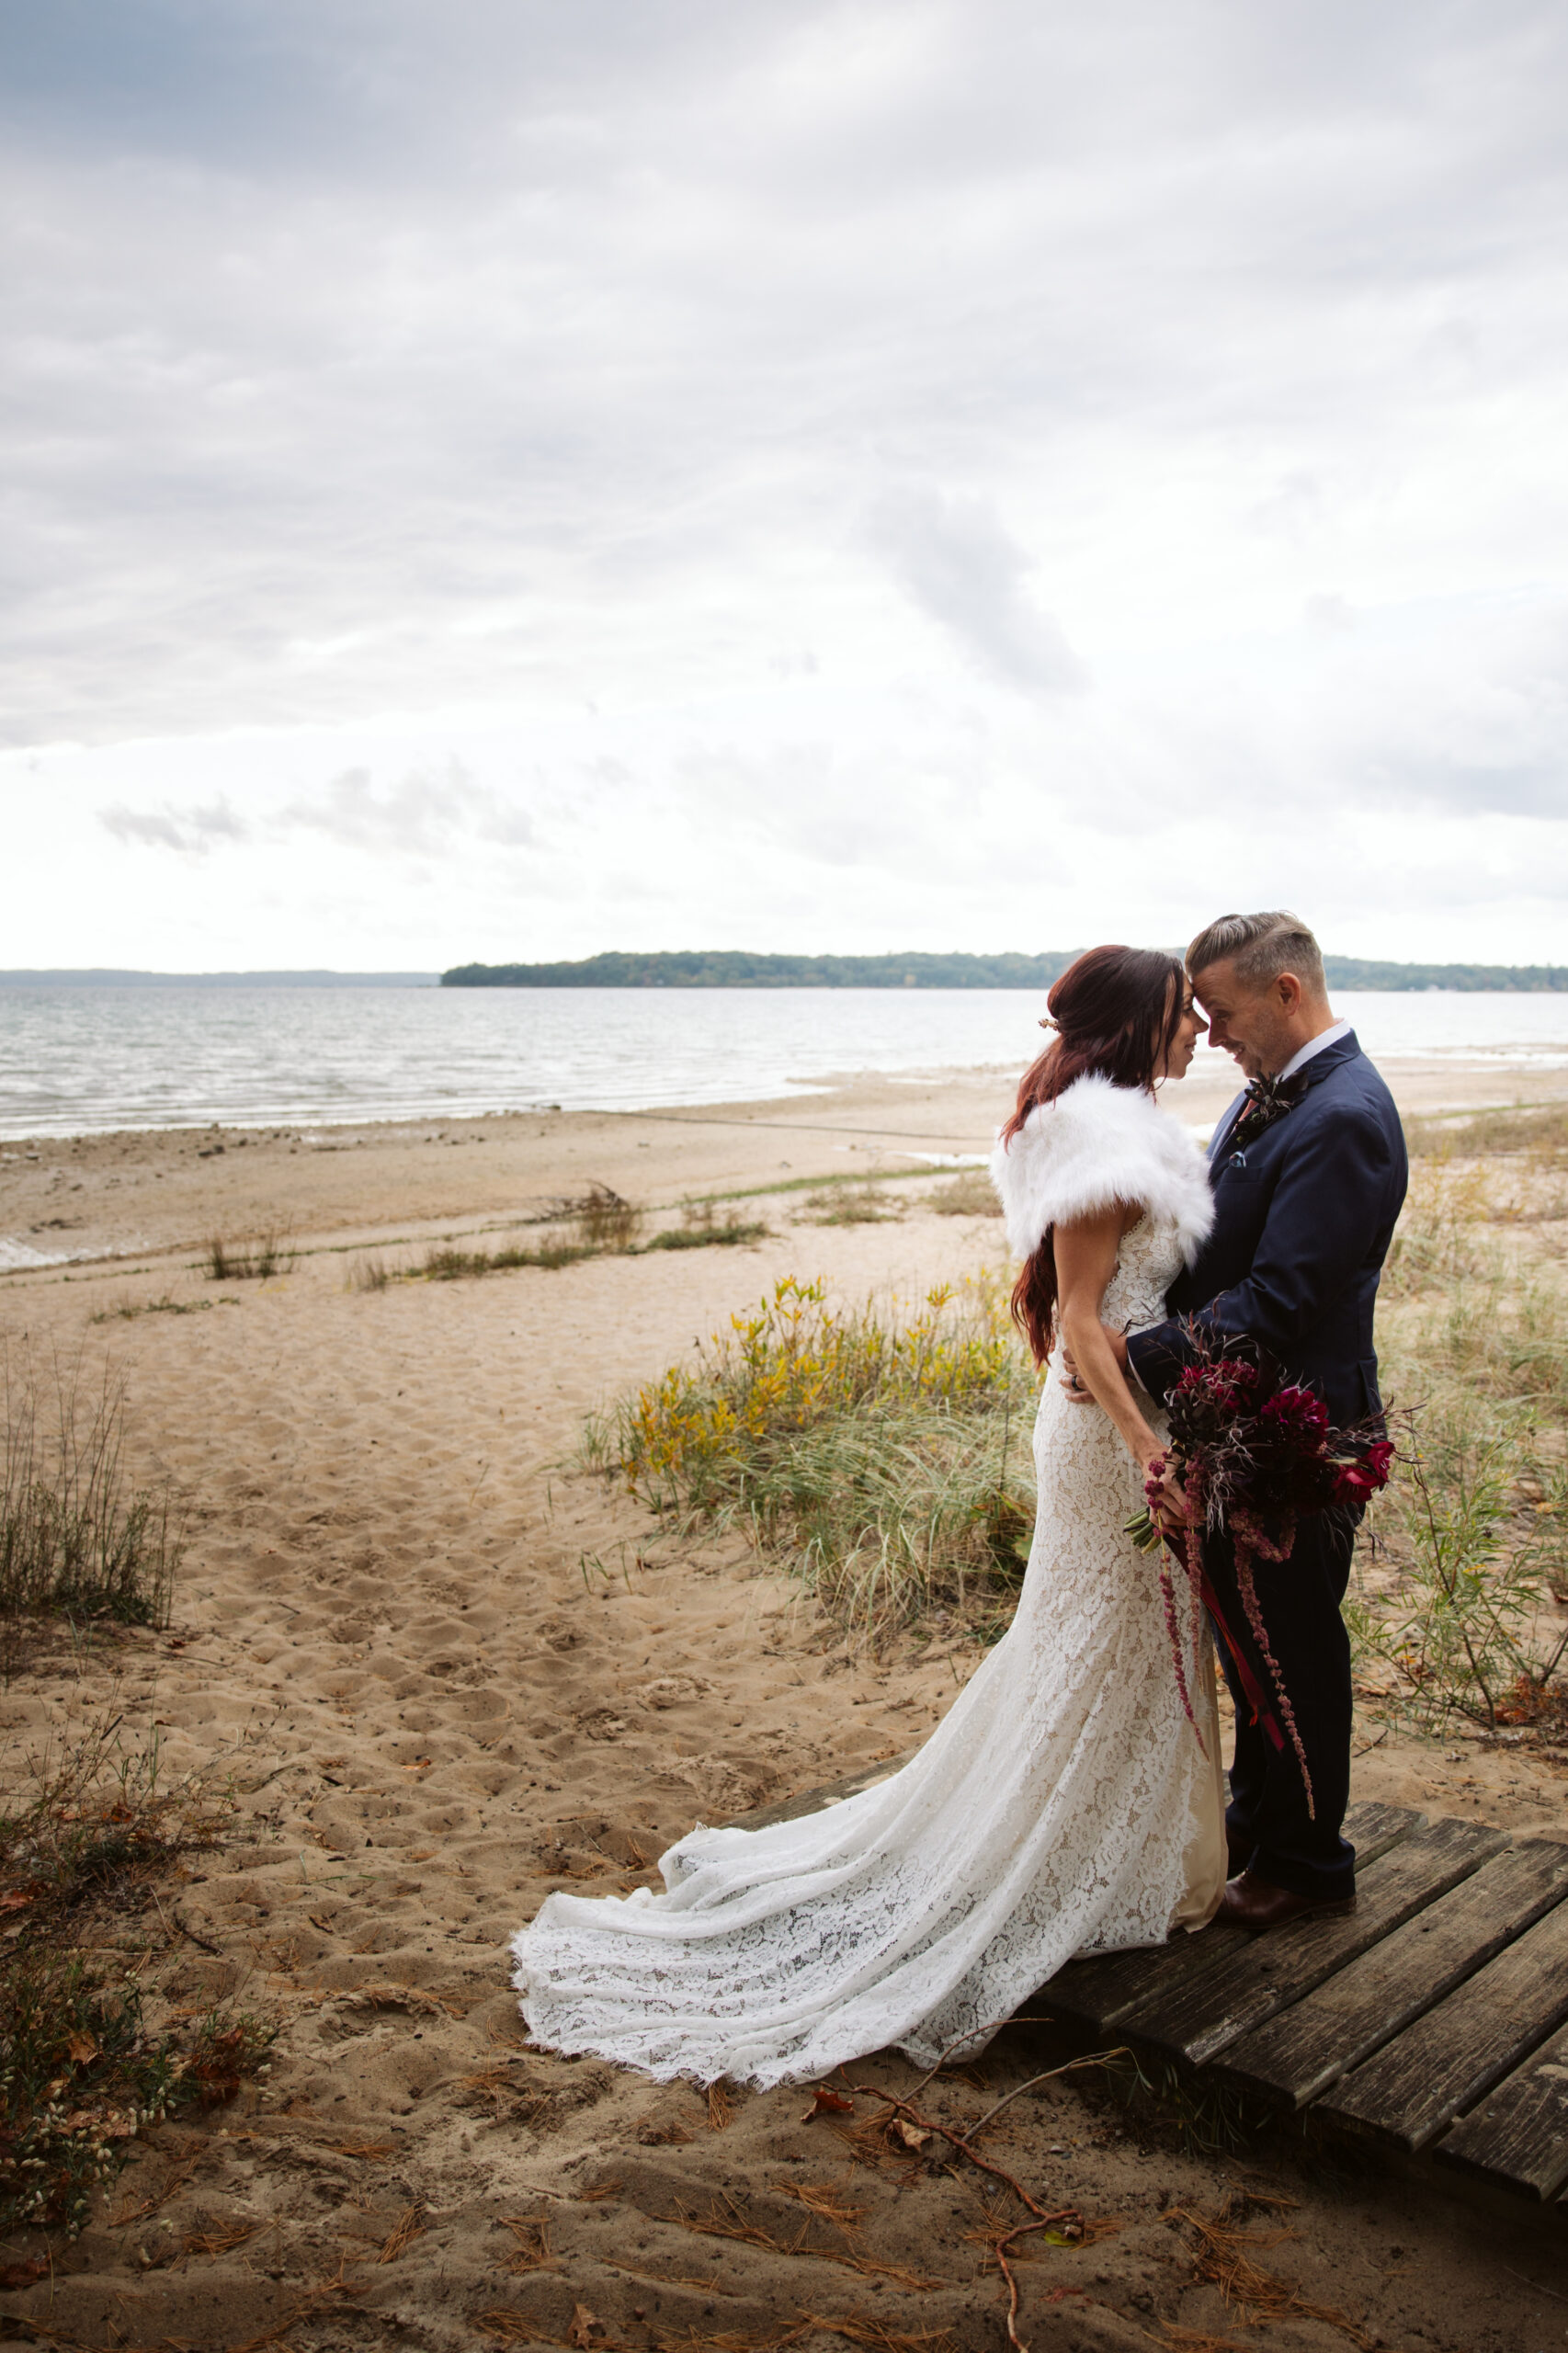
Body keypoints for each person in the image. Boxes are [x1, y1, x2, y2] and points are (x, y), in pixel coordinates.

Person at [509, 946, 1226, 2088]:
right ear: (1140, 1023)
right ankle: (1063, 1861)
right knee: (1103, 1639)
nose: (1198, 1029)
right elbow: (1086, 1321)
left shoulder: (1120, 1127)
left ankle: (1118, 1851)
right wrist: (1149, 1453)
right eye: (1182, 1014)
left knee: (1119, 1642)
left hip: (1116, 1416)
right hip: (1107, 1431)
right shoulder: (1098, 1142)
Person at [1088, 911, 1407, 1932]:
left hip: (1296, 1434)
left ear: (1284, 992)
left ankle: (1308, 1862)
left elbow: (1277, 1299)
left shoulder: (1344, 1115)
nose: (1209, 1033)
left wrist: (1132, 1354)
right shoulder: (1264, 1098)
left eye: (1220, 1013)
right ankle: (1257, 1827)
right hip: (1236, 1418)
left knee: (1290, 1646)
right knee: (1251, 1645)